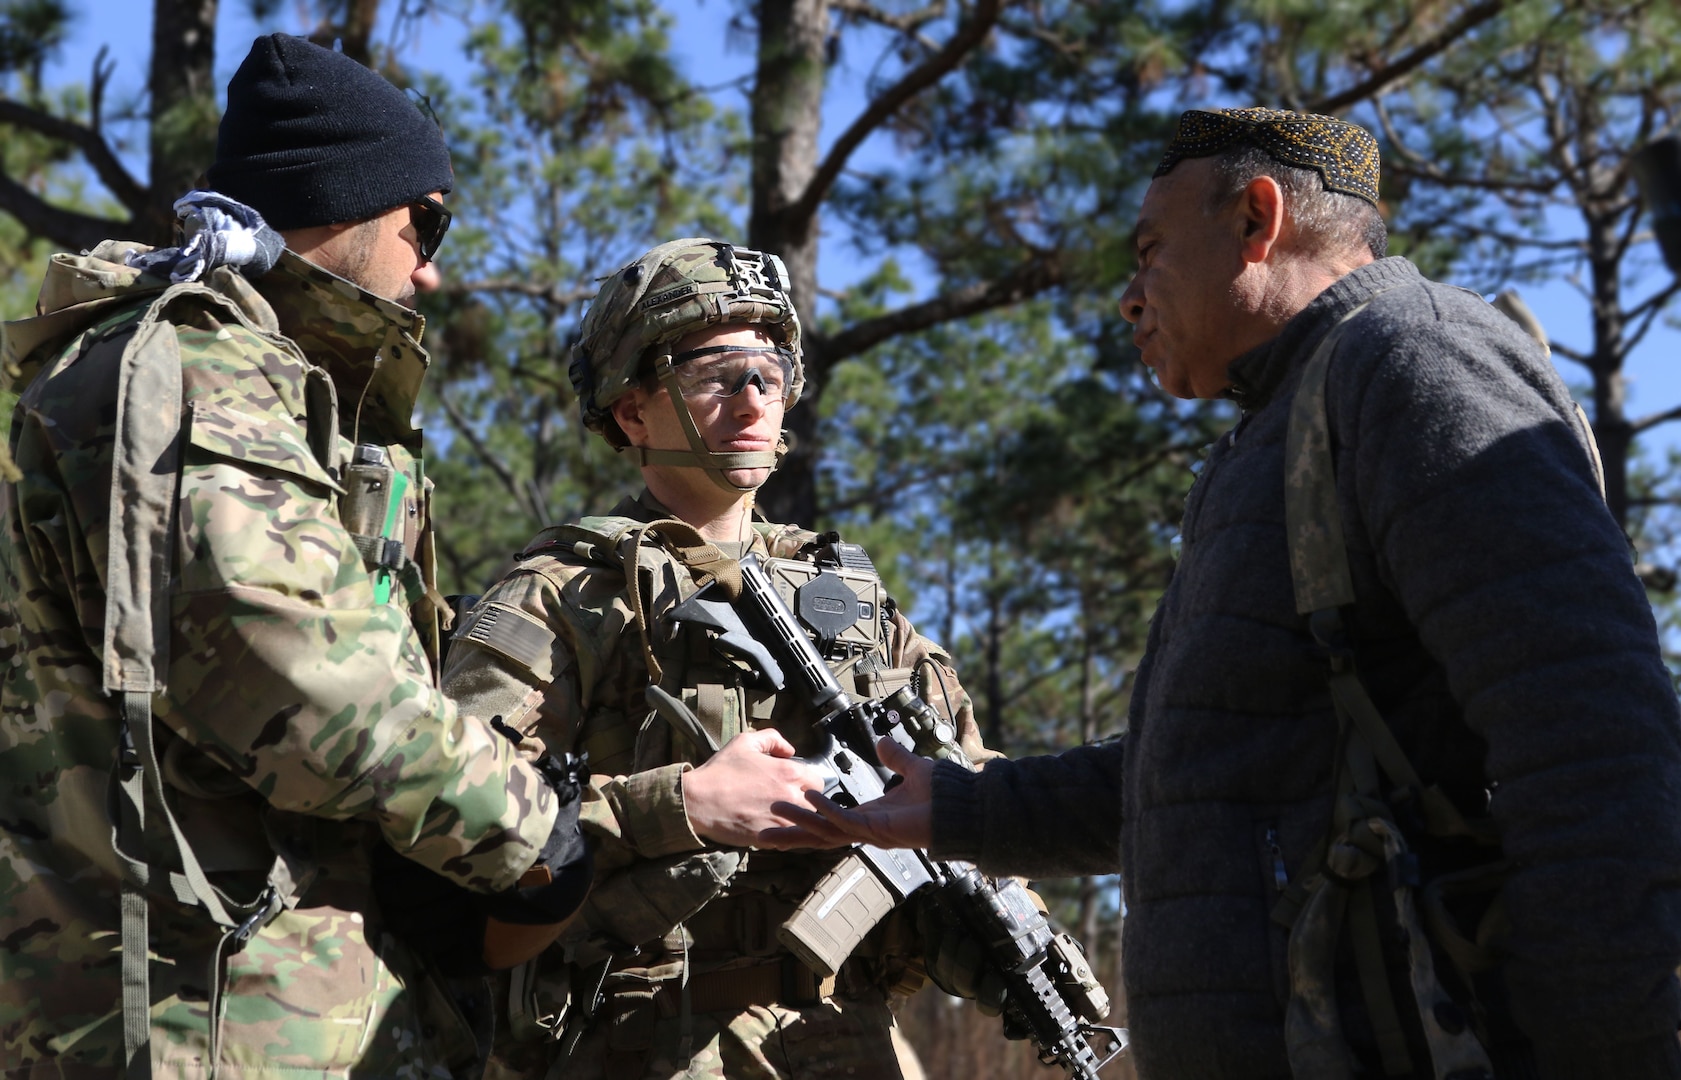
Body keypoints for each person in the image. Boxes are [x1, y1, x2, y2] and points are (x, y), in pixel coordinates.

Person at [787, 108, 1681, 1079]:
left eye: (1149, 252)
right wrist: (961, 808)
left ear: (1257, 220)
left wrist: (1606, 1050)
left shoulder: (1413, 365)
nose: (1130, 300)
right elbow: (1219, 768)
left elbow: (1591, 741)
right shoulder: (1277, 433)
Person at [0, 34, 590, 1078]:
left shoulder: (206, 372)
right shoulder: (197, 367)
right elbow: (293, 667)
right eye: (427, 223)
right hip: (212, 1018)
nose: (433, 265)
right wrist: (531, 835)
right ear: (347, 204)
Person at [438, 236, 992, 1078]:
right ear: (633, 411)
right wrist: (682, 804)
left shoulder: (851, 599)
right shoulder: (567, 593)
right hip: (640, 1044)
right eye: (713, 372)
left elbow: (969, 790)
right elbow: (456, 831)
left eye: (769, 369)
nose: (751, 397)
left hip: (849, 1040)